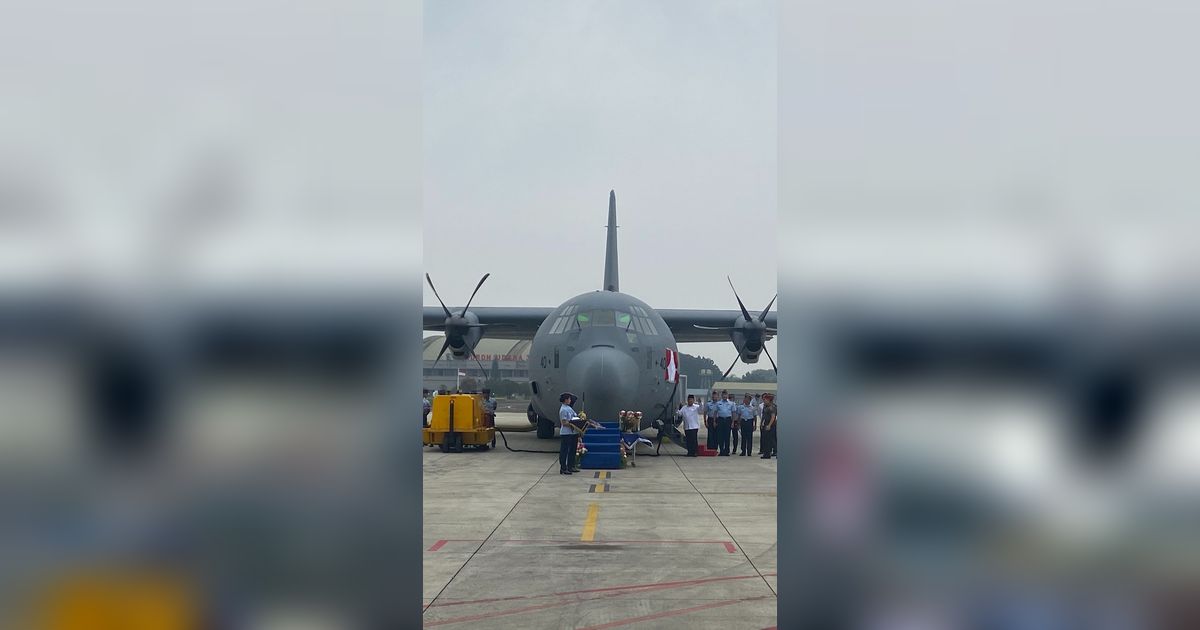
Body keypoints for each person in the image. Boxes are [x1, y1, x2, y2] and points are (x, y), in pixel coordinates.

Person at [558, 392, 580, 474]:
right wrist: (573, 424)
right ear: (566, 400)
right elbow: (563, 422)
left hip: (573, 432)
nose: (571, 400)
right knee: (565, 450)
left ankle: (571, 466)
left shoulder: (569, 408)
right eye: (569, 399)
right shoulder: (563, 409)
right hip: (566, 433)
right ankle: (563, 468)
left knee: (572, 450)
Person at [714, 390, 736, 456]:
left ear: (727, 395)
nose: (724, 396)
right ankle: (721, 451)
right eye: (723, 395)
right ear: (721, 395)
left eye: (726, 394)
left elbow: (733, 413)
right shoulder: (718, 403)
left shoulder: (731, 403)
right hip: (720, 420)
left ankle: (726, 451)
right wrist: (714, 421)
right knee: (720, 436)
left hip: (728, 420)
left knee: (727, 436)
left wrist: (733, 422)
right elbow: (715, 413)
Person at [760, 393, 777, 459]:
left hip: (771, 424)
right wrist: (761, 423)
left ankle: (776, 452)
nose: (764, 400)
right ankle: (766, 454)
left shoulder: (772, 407)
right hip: (766, 423)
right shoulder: (765, 406)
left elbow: (773, 417)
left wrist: (769, 425)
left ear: (769, 400)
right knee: (766, 439)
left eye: (765, 399)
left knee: (772, 439)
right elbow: (763, 416)